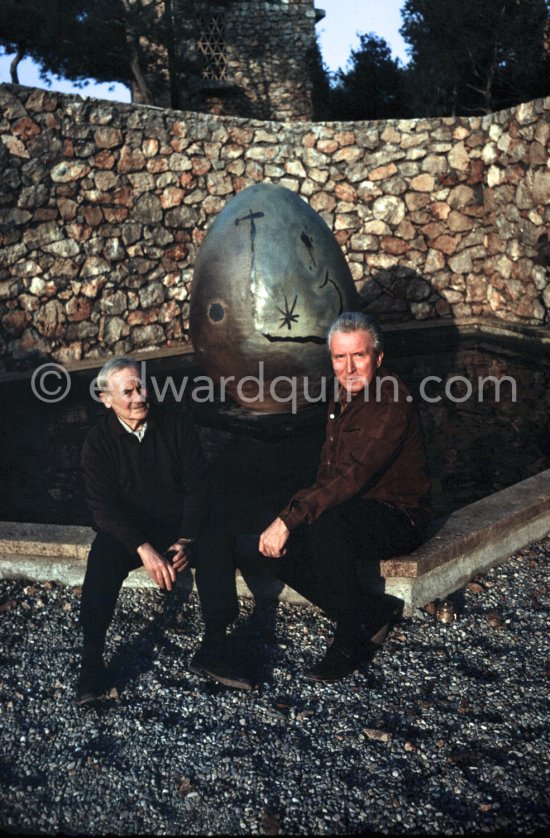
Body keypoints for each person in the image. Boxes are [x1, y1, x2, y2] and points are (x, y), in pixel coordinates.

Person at [258, 311, 431, 682]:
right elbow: (328, 471)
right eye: (340, 357)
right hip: (357, 507)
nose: (349, 367)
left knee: (320, 528)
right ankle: (372, 608)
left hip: (398, 514)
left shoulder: (390, 401)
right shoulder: (343, 393)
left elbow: (353, 474)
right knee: (270, 544)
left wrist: (294, 517)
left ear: (378, 358)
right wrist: (286, 519)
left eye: (359, 356)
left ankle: (350, 639)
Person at [77, 356, 251, 706]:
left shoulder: (175, 423)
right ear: (106, 398)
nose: (141, 396)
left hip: (177, 525)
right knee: (103, 557)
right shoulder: (97, 444)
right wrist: (141, 547)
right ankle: (92, 661)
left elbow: (198, 485)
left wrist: (187, 538)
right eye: (129, 391)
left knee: (218, 538)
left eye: (143, 386)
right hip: (132, 532)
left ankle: (215, 645)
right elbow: (103, 509)